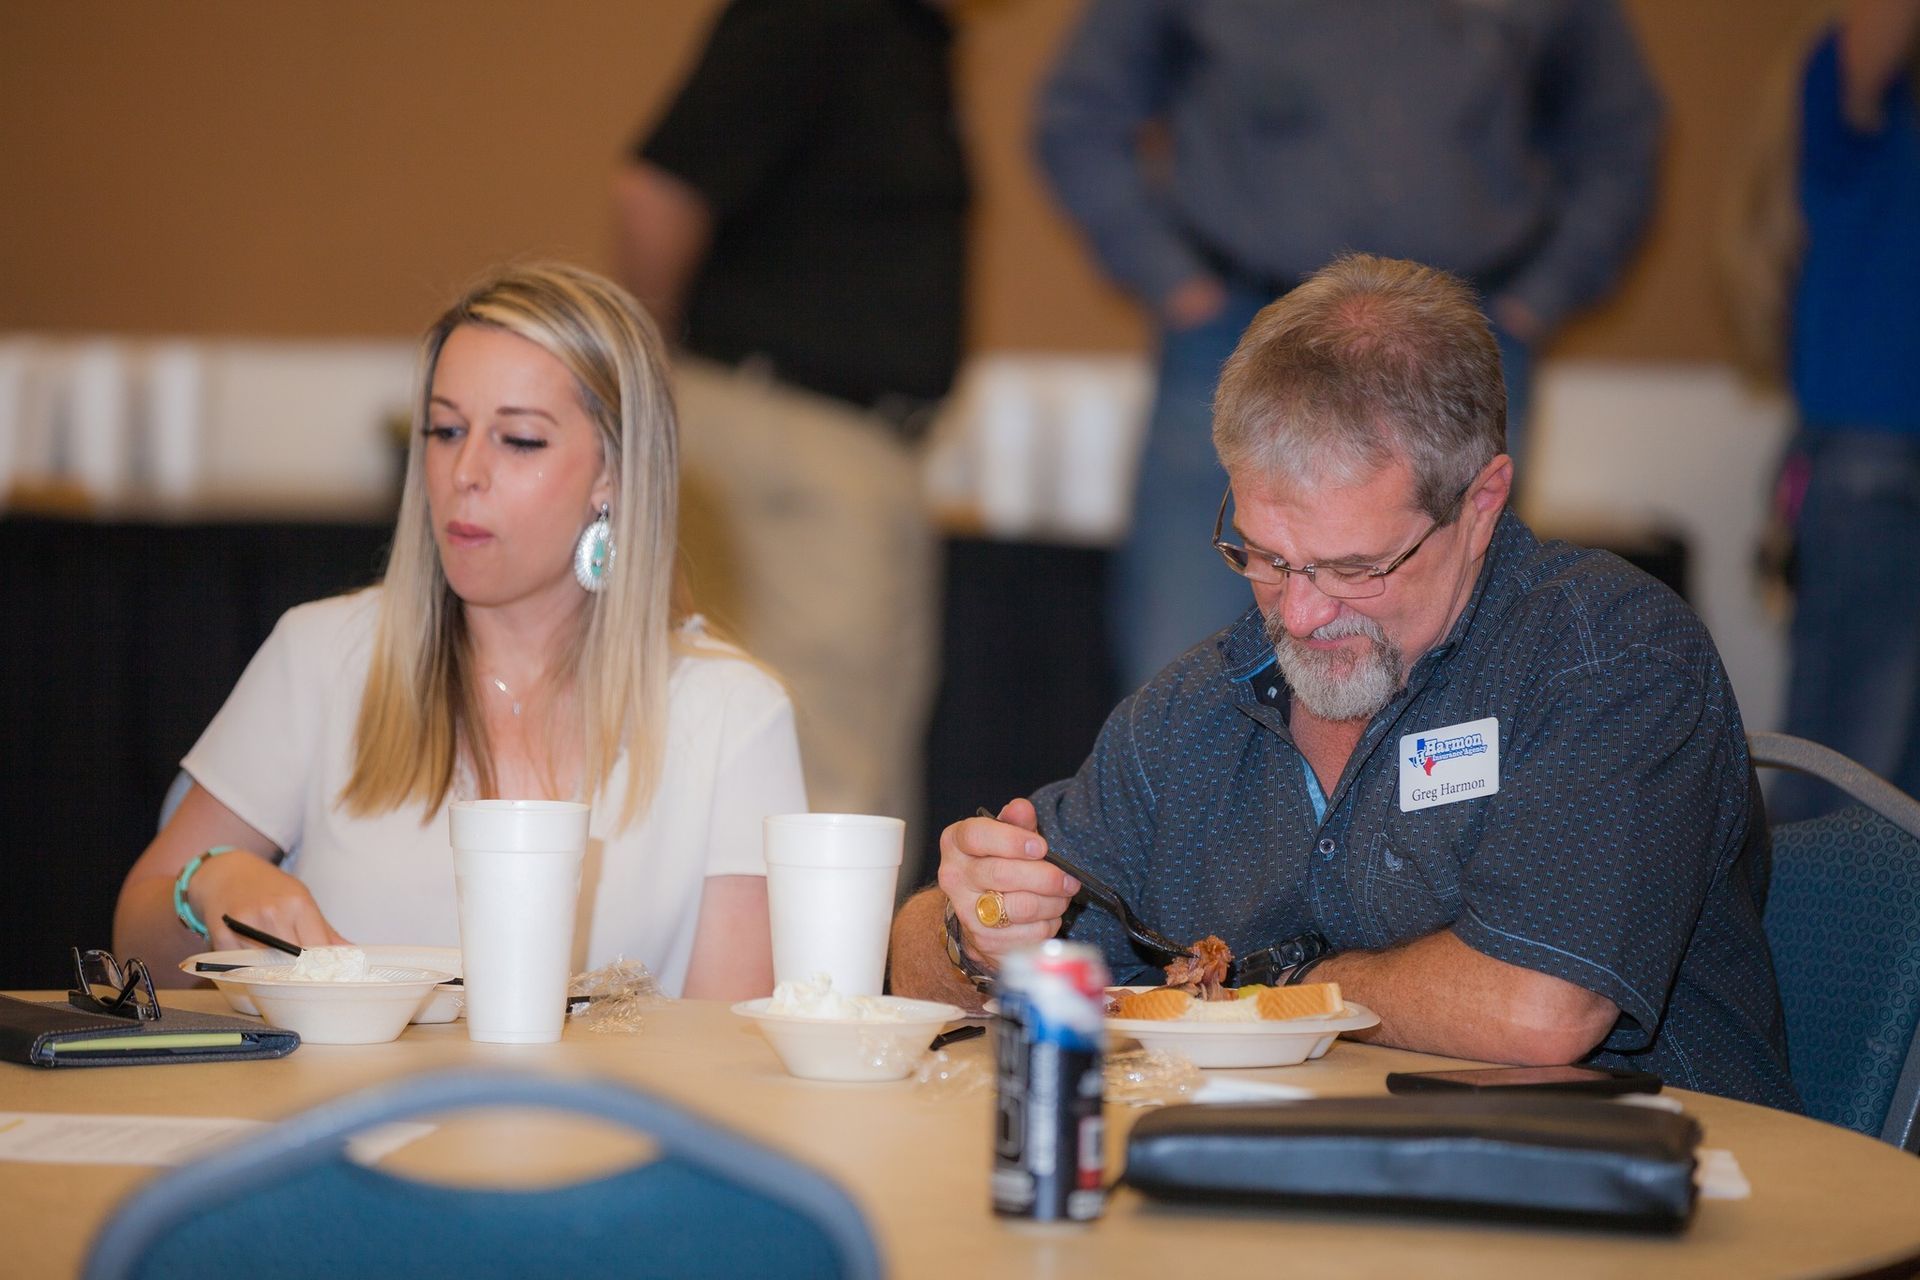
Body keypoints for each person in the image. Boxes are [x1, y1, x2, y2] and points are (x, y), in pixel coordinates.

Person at [892, 255, 1796, 1109]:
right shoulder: (1195, 710)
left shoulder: (1603, 654)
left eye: (1357, 567)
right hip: (1309, 1202)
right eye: (1264, 555)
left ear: (1480, 506)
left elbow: (1538, 1011)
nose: (1300, 614)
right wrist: (977, 935)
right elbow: (911, 961)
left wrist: (1276, 992)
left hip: (1641, 1204)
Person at [114, 264, 803, 1000]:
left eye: (519, 440)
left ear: (616, 474)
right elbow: (133, 951)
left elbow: (727, 1065)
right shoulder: (324, 655)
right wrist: (208, 883)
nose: (463, 471)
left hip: (607, 1121)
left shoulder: (734, 713)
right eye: (445, 430)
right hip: (336, 1116)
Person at [1034, 0, 1664, 690]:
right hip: (1239, 333)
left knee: (1453, 667)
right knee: (1187, 654)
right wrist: (1176, 285)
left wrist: (1538, 301)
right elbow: (1080, 118)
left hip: (1464, 343)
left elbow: (1619, 136)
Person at [611, 0, 968, 877]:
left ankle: (834, 1003)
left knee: (863, 779)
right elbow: (654, 193)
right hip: (792, 431)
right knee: (826, 783)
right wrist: (652, 385)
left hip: (858, 446)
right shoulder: (811, 14)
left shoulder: (904, 36)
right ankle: (803, 1009)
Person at [1720, 0, 1920, 821]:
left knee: (1887, 796)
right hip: (1873, 479)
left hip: (1872, 477)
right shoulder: (1857, 113)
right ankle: (1795, 951)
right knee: (1844, 786)